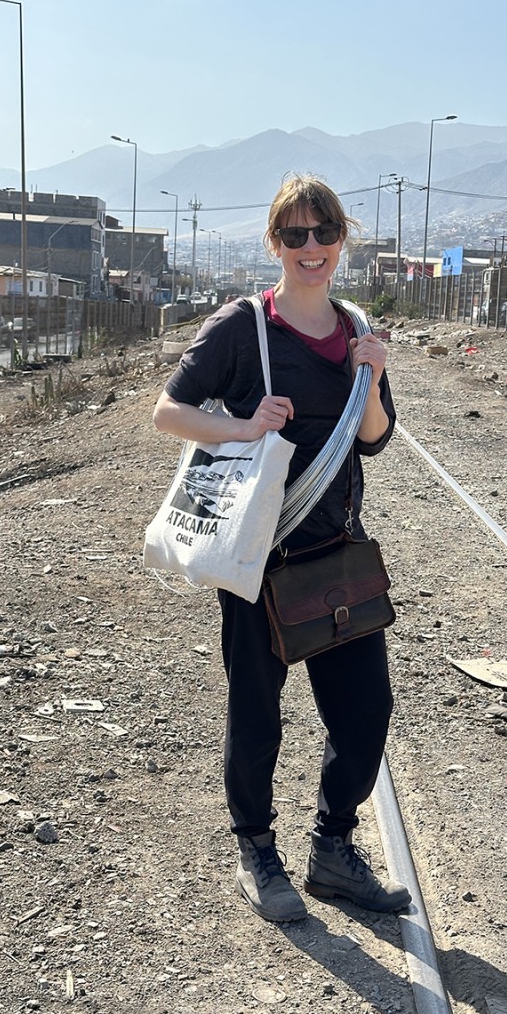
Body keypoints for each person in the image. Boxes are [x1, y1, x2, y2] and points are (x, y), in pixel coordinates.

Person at [153, 174, 410, 923]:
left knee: (365, 711)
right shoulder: (243, 327)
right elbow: (168, 412)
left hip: (336, 553)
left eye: (324, 232)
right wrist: (243, 426)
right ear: (275, 243)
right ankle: (258, 851)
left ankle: (333, 849)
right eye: (295, 234)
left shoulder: (355, 327)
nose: (311, 247)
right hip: (259, 559)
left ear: (342, 239)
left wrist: (372, 375)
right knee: (256, 715)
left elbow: (375, 439)